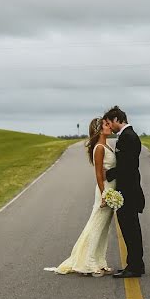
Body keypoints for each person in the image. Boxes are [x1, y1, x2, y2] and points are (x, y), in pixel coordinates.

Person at [44, 118, 117, 276]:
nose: (110, 126)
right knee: (96, 226)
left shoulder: (107, 145)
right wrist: (105, 195)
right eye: (106, 125)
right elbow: (98, 174)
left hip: (112, 191)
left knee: (104, 228)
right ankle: (89, 262)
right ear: (99, 129)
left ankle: (100, 261)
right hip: (105, 192)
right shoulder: (99, 148)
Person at [103, 105, 146, 278]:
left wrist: (111, 173)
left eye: (109, 123)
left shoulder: (128, 137)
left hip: (128, 191)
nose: (109, 127)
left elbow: (128, 166)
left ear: (116, 120)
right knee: (129, 229)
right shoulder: (127, 136)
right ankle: (134, 263)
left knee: (130, 230)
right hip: (128, 190)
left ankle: (135, 266)